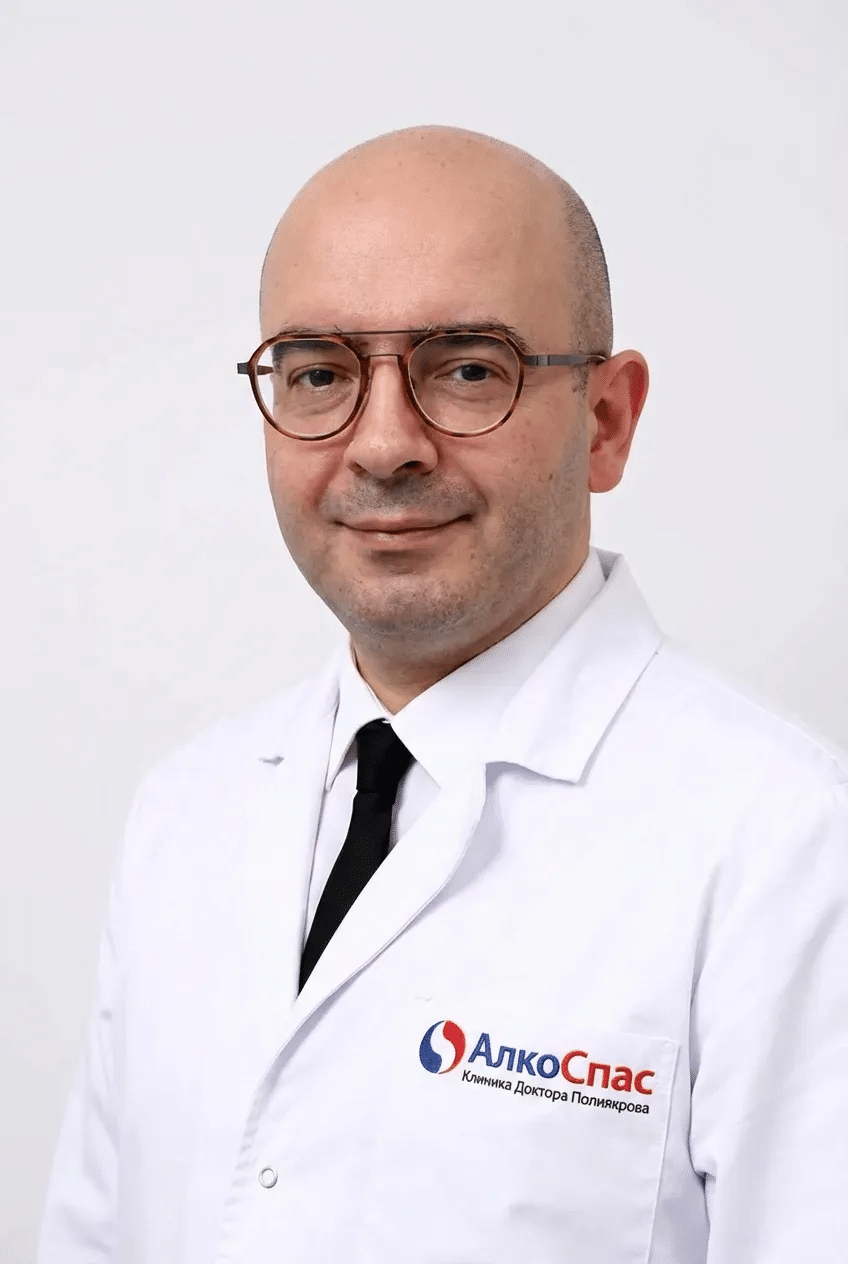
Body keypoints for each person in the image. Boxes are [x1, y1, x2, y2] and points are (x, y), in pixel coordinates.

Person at [38, 124, 847, 1264]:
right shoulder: (186, 812)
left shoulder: (789, 848)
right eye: (319, 373)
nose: (382, 446)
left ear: (606, 420)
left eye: (468, 368)